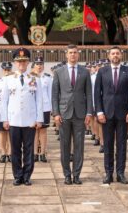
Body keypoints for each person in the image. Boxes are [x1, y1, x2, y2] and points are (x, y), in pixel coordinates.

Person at [94, 46, 128, 185]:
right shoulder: (102, 71)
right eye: (113, 53)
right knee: (107, 145)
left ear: (121, 55)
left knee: (122, 145)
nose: (115, 55)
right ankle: (108, 173)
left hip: (123, 114)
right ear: (109, 56)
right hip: (106, 114)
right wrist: (99, 111)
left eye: (117, 53)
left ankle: (120, 173)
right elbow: (97, 94)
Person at [1, 48, 43, 186]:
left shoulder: (35, 78)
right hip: (13, 119)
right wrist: (4, 119)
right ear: (14, 62)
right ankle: (17, 175)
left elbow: (39, 100)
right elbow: (4, 101)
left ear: (28, 62)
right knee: (15, 149)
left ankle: (27, 176)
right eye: (19, 61)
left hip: (30, 120)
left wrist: (39, 119)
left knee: (29, 149)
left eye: (24, 61)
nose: (21, 64)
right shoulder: (8, 79)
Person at [52, 44, 93, 185]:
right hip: (64, 114)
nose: (73, 55)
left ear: (78, 54)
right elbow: (54, 95)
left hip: (80, 114)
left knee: (79, 146)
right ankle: (67, 175)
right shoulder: (58, 72)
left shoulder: (85, 72)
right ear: (66, 55)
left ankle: (77, 174)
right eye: (70, 53)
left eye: (75, 52)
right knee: (64, 145)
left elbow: (88, 93)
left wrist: (89, 112)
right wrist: (56, 113)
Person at [31, 56, 52, 163]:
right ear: (34, 65)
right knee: (34, 131)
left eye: (41, 64)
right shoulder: (30, 77)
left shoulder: (47, 78)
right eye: (37, 64)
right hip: (33, 108)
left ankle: (43, 153)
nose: (39, 66)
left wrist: (52, 108)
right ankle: (34, 153)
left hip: (45, 107)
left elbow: (50, 93)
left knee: (43, 131)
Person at [0, 62, 13, 163]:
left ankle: (10, 152)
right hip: (0, 110)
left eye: (9, 69)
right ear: (2, 70)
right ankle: (3, 152)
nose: (7, 72)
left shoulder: (14, 81)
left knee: (10, 132)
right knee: (2, 132)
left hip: (12, 110)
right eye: (5, 70)